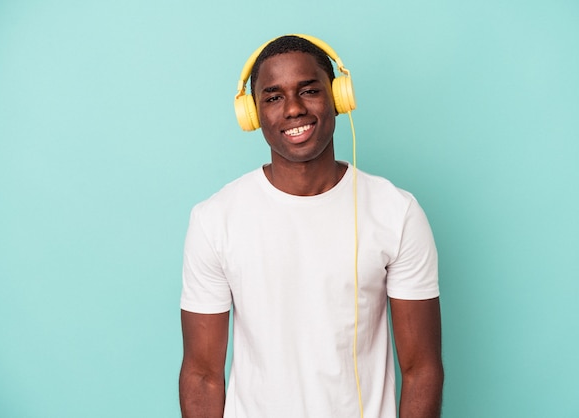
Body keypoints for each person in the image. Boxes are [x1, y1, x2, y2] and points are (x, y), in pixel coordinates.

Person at [179, 34, 443, 418]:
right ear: (252, 114)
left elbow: (421, 369)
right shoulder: (214, 219)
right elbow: (202, 374)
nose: (293, 109)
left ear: (338, 97)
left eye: (309, 90)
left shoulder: (396, 212)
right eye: (273, 97)